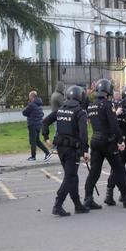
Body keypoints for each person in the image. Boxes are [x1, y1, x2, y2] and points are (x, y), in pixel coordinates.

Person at [83, 79, 126, 209]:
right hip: (107, 141)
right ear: (108, 91)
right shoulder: (107, 104)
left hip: (95, 140)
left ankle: (88, 198)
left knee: (95, 171)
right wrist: (120, 140)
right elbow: (114, 125)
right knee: (119, 169)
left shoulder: (91, 105)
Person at [42, 85, 91, 217]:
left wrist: (46, 137)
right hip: (72, 150)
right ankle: (58, 205)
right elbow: (83, 134)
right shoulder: (80, 112)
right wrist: (85, 151)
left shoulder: (61, 110)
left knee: (72, 177)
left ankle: (78, 205)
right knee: (70, 177)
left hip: (61, 149)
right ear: (80, 97)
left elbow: (45, 122)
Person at [22, 91, 51, 162]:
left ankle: (33, 157)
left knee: (33, 141)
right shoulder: (39, 104)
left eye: (29, 97)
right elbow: (42, 114)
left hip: (32, 125)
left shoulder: (31, 105)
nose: (29, 98)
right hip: (39, 125)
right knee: (37, 141)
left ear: (32, 97)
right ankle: (47, 153)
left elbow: (24, 112)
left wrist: (29, 112)